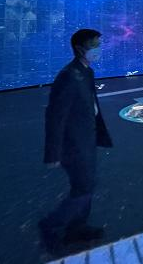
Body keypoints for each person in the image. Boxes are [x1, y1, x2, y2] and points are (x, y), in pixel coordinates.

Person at [38, 29, 113, 253]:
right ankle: (51, 225)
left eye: (99, 44)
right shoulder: (69, 76)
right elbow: (55, 116)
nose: (99, 49)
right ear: (80, 48)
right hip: (73, 144)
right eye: (94, 45)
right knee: (83, 188)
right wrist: (52, 153)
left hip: (86, 139)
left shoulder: (86, 71)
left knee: (86, 185)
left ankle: (77, 229)